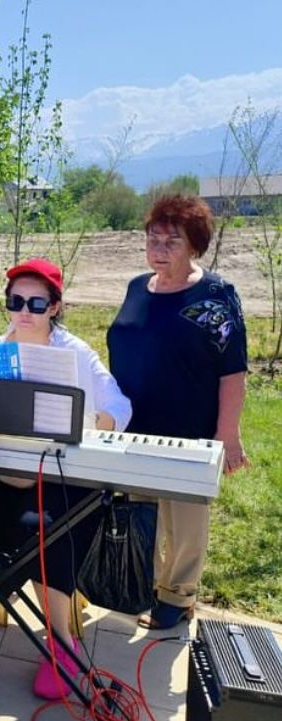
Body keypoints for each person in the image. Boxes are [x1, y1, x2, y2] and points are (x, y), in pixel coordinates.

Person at [0, 258, 132, 700]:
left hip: (54, 476)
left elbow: (119, 404)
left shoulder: (76, 353)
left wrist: (94, 422)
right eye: (16, 301)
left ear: (54, 307)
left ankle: (60, 643)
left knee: (47, 532)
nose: (24, 311)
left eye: (36, 304)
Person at [107, 195, 249, 629]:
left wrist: (228, 434)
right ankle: (142, 585)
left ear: (194, 246)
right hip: (135, 426)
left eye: (172, 241)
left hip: (189, 429)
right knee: (141, 512)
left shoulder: (215, 295)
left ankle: (178, 596)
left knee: (185, 518)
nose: (160, 248)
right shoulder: (137, 287)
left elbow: (233, 370)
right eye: (153, 238)